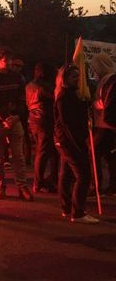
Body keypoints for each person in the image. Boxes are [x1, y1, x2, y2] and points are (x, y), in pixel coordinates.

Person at [0, 47, 34, 201]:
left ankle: (22, 186)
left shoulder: (18, 77)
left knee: (18, 155)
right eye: (6, 60)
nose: (9, 63)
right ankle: (0, 186)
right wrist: (4, 118)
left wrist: (16, 117)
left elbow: (23, 100)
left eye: (10, 59)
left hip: (15, 119)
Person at [54, 65, 99, 223]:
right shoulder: (64, 97)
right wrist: (79, 144)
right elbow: (68, 124)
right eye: (74, 77)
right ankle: (78, 212)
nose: (78, 80)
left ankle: (66, 208)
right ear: (65, 79)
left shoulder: (70, 95)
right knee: (83, 175)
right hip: (70, 141)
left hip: (65, 140)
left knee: (66, 174)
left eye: (78, 77)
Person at [26, 62, 58, 193]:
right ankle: (38, 183)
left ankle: (47, 179)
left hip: (35, 120)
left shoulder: (29, 85)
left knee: (46, 151)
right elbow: (56, 97)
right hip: (44, 120)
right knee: (43, 151)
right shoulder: (43, 87)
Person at [90, 53, 116, 195]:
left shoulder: (110, 79)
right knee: (109, 155)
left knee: (93, 153)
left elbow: (107, 103)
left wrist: (94, 103)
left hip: (105, 124)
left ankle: (96, 185)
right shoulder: (105, 79)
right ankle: (112, 185)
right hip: (104, 124)